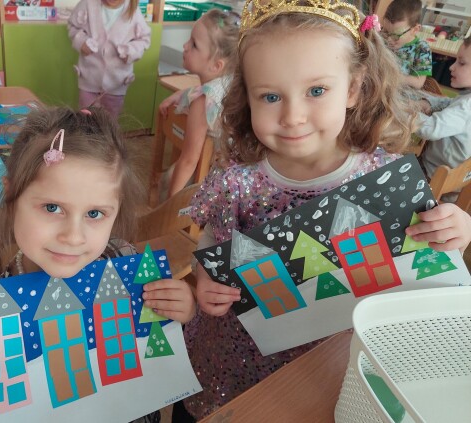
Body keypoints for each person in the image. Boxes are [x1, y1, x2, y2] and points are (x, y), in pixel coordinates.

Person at [182, 1, 471, 420]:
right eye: (270, 96)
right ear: (248, 97)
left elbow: (426, 259)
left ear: (353, 88)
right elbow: (212, 241)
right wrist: (204, 276)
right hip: (236, 356)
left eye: (316, 91)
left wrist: (455, 229)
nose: (293, 116)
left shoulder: (385, 179)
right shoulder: (234, 181)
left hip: (332, 364)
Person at [0, 106, 196, 423]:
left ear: (117, 209)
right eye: (52, 207)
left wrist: (183, 310)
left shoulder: (123, 259)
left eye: (95, 213)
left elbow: (159, 345)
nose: (73, 236)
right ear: (12, 197)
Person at [157, 9, 238, 200]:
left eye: (194, 45)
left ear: (216, 65)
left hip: (215, 180)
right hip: (237, 176)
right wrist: (179, 94)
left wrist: (171, 206)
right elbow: (201, 89)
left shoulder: (202, 102)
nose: (185, 46)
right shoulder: (230, 82)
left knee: (167, 180)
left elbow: (188, 161)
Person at [67, 0, 151, 119]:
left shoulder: (133, 10)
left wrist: (130, 51)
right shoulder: (87, 4)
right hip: (89, 78)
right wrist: (81, 42)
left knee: (110, 120)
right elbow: (72, 26)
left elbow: (144, 39)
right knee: (85, 119)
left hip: (117, 81)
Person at [415, 36, 471, 194]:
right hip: (453, 182)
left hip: (432, 179)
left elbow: (431, 129)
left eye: (461, 63)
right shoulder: (466, 99)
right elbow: (449, 103)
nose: (451, 67)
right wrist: (428, 103)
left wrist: (405, 114)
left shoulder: (466, 107)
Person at [382, 0, 432, 89]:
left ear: (415, 29)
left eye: (396, 35)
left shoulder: (422, 48)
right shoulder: (381, 39)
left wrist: (390, 77)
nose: (389, 39)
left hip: (402, 94)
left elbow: (418, 82)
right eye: (385, 31)